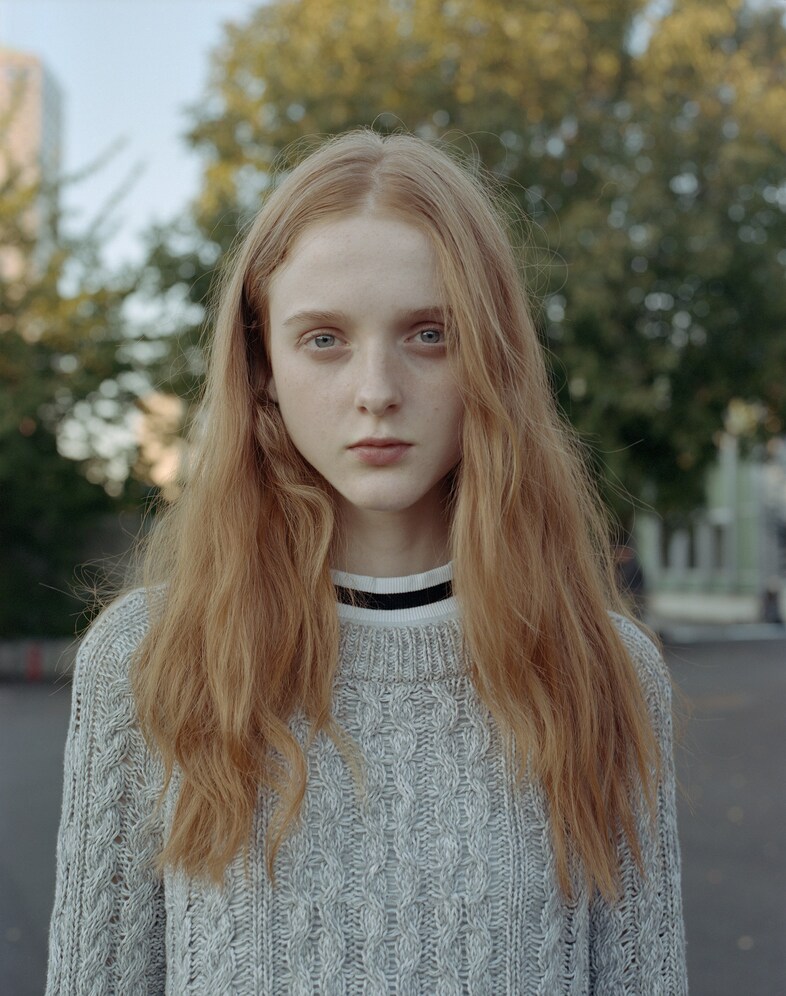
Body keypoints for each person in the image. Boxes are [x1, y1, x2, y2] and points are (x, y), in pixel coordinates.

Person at [46, 129, 687, 994]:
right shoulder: (149, 660)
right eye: (324, 339)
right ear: (262, 366)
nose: (377, 390)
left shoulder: (604, 670)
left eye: (429, 334)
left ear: (492, 356)